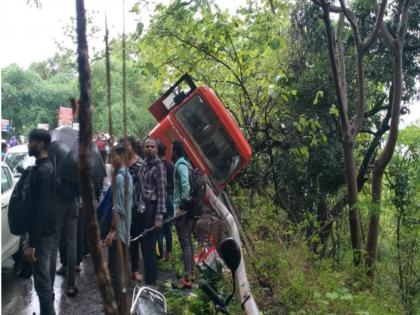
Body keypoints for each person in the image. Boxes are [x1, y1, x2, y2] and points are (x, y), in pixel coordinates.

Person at [24, 128, 56, 315]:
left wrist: (32, 244)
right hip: (46, 232)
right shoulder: (46, 167)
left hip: (42, 236)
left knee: (42, 285)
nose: (29, 144)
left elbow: (41, 211)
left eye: (31, 141)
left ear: (41, 144)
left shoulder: (43, 172)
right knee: (44, 283)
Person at [105, 143, 133, 312]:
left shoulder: (120, 178)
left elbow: (119, 208)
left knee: (114, 273)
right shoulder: (128, 176)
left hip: (119, 233)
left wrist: (111, 232)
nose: (110, 159)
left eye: (113, 156)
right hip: (126, 231)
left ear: (121, 157)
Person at [138, 138, 166, 285]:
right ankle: (148, 277)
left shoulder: (159, 166)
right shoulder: (144, 164)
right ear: (144, 148)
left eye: (152, 147)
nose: (149, 149)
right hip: (143, 208)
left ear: (156, 149)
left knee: (149, 246)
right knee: (145, 245)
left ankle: (151, 281)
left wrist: (159, 216)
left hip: (153, 208)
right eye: (147, 146)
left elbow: (162, 192)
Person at [122, 136, 144, 283]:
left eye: (128, 145)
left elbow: (144, 188)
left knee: (135, 240)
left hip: (136, 208)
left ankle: (134, 269)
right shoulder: (122, 164)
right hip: (122, 207)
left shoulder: (141, 164)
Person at [171, 140, 193, 289]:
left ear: (175, 151)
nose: (170, 152)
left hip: (182, 211)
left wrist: (181, 206)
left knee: (185, 243)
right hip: (184, 210)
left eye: (171, 150)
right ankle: (190, 273)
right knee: (188, 241)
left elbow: (186, 186)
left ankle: (187, 278)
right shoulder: (185, 163)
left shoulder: (181, 165)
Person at [157, 141, 174, 261]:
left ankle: (159, 254)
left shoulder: (158, 166)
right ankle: (169, 254)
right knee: (168, 228)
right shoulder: (170, 165)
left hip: (161, 199)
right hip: (170, 198)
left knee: (159, 227)